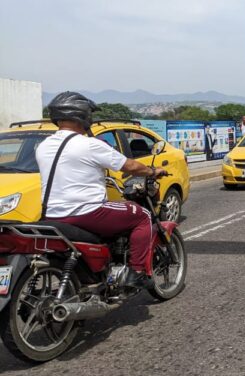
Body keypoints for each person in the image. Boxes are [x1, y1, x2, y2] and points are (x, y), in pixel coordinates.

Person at [36, 91, 168, 288]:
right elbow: (130, 166)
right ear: (82, 115)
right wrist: (152, 171)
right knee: (142, 216)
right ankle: (137, 272)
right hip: (87, 213)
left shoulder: (44, 146)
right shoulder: (89, 144)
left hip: (51, 214)